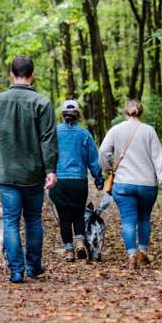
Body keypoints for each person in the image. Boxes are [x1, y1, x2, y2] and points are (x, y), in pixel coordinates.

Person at [0, 55, 58, 283]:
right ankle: (33, 266)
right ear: (32, 75)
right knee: (33, 220)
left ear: (11, 75)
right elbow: (48, 140)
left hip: (7, 174)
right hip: (34, 173)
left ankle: (16, 270)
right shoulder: (42, 103)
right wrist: (51, 169)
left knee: (11, 221)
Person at [99, 99, 162, 270]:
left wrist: (108, 167)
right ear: (141, 112)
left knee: (128, 221)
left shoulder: (116, 130)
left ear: (125, 112)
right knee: (144, 218)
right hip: (147, 184)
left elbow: (103, 151)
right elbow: (157, 156)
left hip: (123, 184)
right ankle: (143, 253)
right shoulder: (149, 131)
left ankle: (132, 254)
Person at [49, 100, 104, 262]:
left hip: (59, 181)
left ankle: (69, 251)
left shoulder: (54, 133)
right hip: (78, 181)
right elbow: (93, 160)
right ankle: (80, 241)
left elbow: (48, 155)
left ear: (62, 115)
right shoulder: (84, 134)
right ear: (77, 115)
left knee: (64, 218)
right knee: (78, 214)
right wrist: (98, 178)